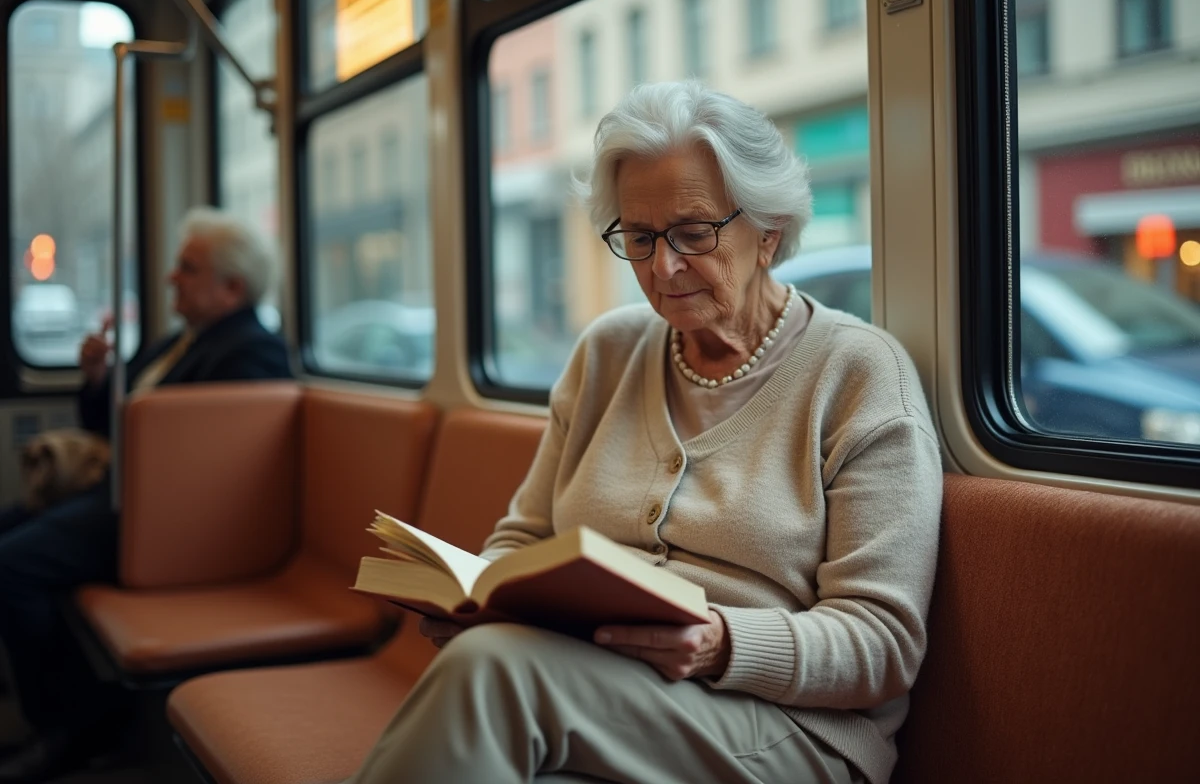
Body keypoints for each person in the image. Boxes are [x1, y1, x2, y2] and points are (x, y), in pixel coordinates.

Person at [348, 81, 942, 784]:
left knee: (491, 673)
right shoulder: (607, 352)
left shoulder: (859, 373)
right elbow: (522, 536)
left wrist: (721, 644)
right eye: (639, 237)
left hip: (788, 732)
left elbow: (882, 644)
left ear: (770, 230)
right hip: (593, 698)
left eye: (694, 233)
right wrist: (481, 599)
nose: (663, 267)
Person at [0, 207, 293, 782]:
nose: (170, 279)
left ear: (231, 287)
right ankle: (76, 711)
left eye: (187, 268)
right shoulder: (176, 345)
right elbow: (115, 429)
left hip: (170, 521)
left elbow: (215, 463)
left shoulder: (252, 354)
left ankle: (69, 727)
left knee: (12, 567)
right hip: (129, 498)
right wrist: (99, 381)